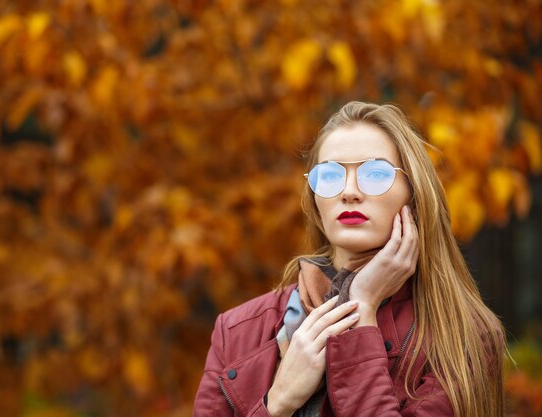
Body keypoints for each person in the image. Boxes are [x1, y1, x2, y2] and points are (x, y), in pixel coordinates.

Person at [193, 101, 505, 417]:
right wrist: (279, 402)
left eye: (375, 173)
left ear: (413, 194)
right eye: (330, 176)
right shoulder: (237, 330)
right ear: (315, 201)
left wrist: (362, 310)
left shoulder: (465, 334)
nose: (350, 192)